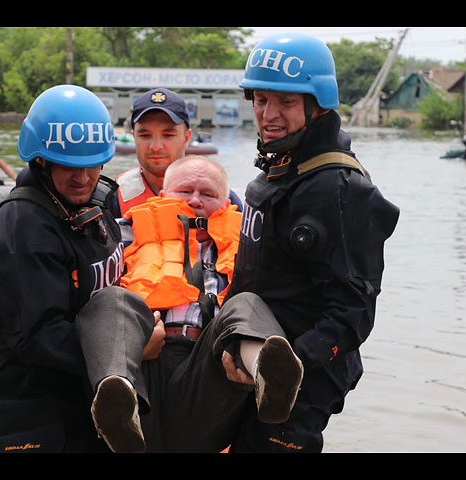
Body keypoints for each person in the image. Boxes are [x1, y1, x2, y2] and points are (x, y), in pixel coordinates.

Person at [219, 33, 400, 453]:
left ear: (316, 105)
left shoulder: (337, 188)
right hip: (256, 358)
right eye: (261, 100)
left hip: (306, 375)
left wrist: (291, 365)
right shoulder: (280, 170)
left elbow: (354, 310)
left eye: (285, 102)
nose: (269, 114)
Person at [75, 155, 304, 453]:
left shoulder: (250, 247)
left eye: (208, 194)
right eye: (185, 191)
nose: (195, 200)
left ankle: (267, 375)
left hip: (209, 372)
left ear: (225, 203)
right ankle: (116, 398)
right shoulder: (118, 233)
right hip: (144, 366)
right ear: (163, 195)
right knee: (112, 299)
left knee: (246, 303)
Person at [0, 85, 125, 453]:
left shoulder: (95, 203)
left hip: (84, 402)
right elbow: (41, 338)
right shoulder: (22, 227)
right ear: (40, 161)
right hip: (31, 413)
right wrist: (127, 351)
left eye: (91, 165)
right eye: (68, 166)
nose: (82, 178)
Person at [109, 87, 242, 218]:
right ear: (134, 137)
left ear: (187, 137)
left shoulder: (221, 197)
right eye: (145, 135)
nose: (156, 146)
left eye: (168, 135)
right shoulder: (112, 199)